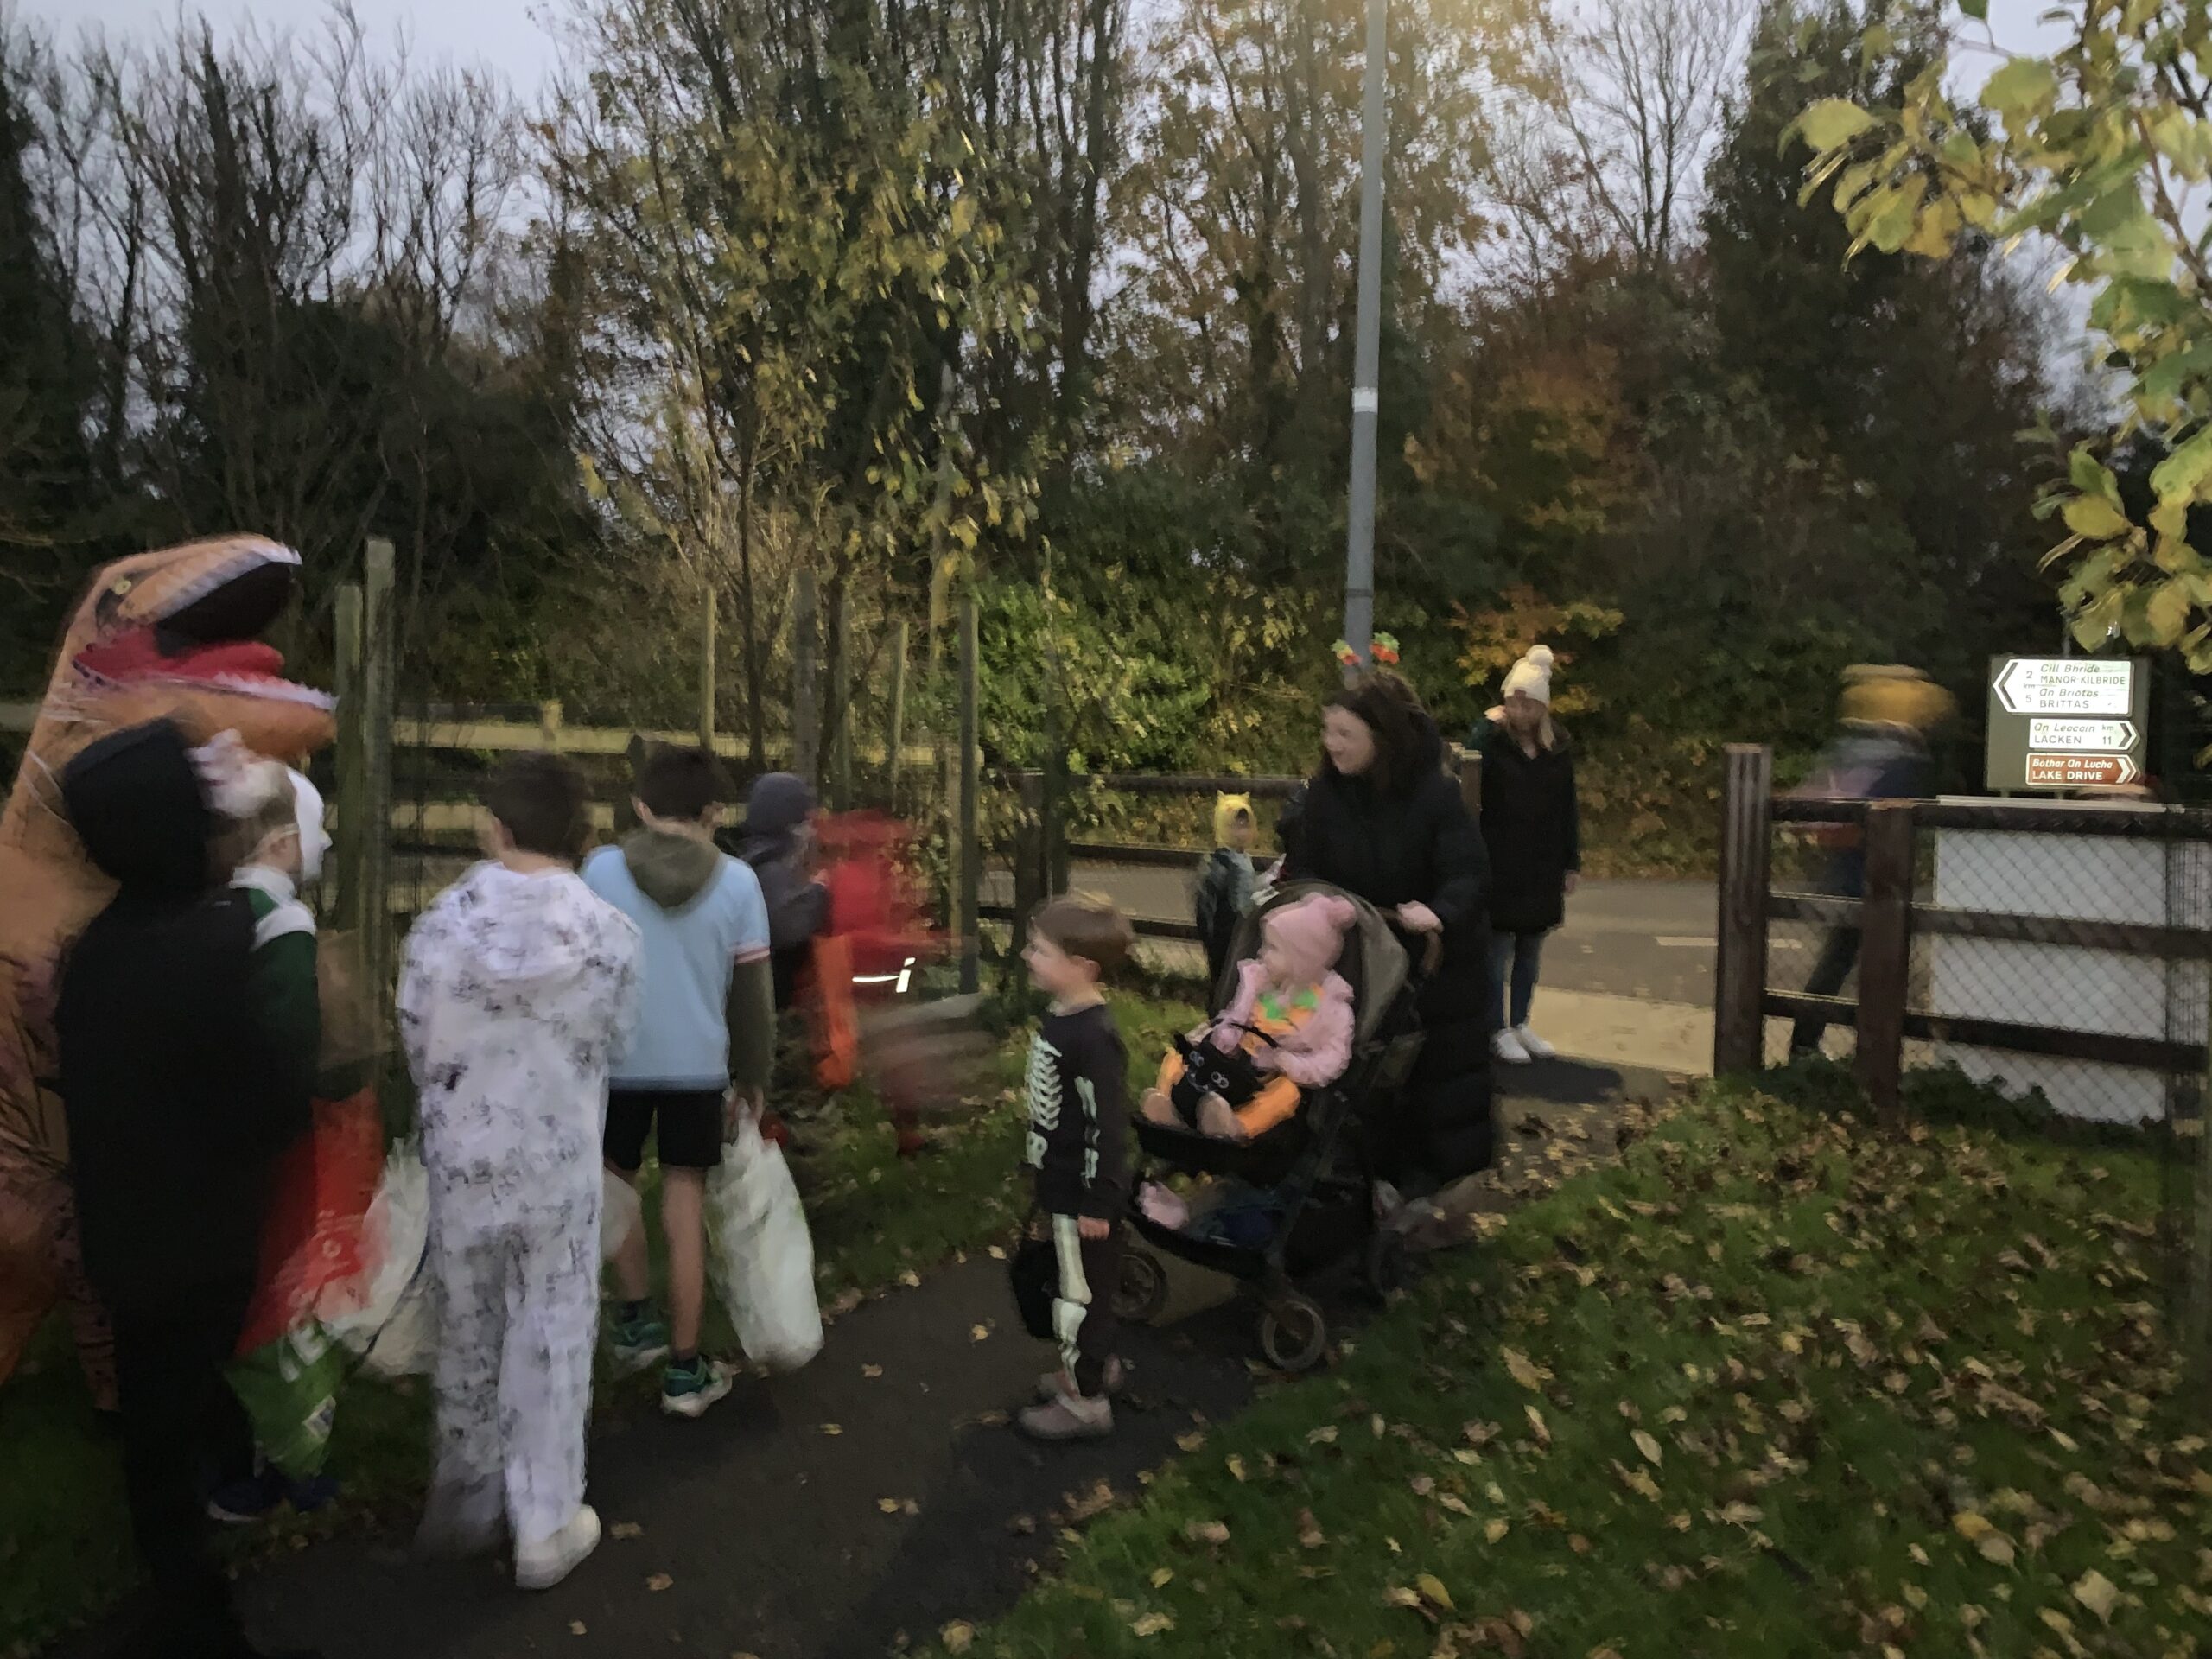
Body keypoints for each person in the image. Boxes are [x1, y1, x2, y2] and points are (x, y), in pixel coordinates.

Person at [55, 721, 320, 1659]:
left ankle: (178, 1573)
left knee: (153, 1420)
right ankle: (195, 1615)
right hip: (208, 1237)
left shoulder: (92, 954)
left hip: (122, 1233)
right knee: (204, 1389)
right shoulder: (215, 950)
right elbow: (267, 1105)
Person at [399, 753, 641, 1591]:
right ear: (582, 833)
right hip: (557, 1163)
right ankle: (544, 1521)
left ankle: (468, 1501)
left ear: (494, 827)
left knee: (468, 1325)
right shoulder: (610, 935)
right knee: (552, 1329)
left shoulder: (440, 925)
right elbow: (619, 1041)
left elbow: (415, 1034)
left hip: (464, 1158)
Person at [582, 744, 774, 1416]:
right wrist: (754, 1073)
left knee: (615, 1185)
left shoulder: (600, 870)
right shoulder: (739, 884)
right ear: (715, 812)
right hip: (698, 1067)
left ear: (640, 807)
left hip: (615, 1060)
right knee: (684, 1203)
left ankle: (636, 1321)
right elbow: (752, 998)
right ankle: (686, 1372)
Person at [1278, 669, 1491, 1189]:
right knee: (1361, 1072)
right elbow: (1304, 863)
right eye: (1327, 732)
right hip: (1357, 957)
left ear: (1381, 737)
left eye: (1344, 734)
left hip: (1432, 968)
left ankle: (1440, 1184)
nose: (1332, 744)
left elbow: (1468, 872)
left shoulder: (1435, 795)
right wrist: (1311, 901)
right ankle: (1357, 1175)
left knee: (1434, 1081)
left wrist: (1439, 913)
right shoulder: (1326, 796)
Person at [1016, 896, 1134, 1442]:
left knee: (1078, 1300)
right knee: (1077, 1286)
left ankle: (1086, 1402)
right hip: (1059, 1182)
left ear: (1082, 967)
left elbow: (1108, 1128)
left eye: (1040, 950)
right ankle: (1092, 1367)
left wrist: (1099, 1201)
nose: (1027, 956)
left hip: (1082, 1196)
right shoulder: (1062, 1018)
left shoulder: (1094, 1038)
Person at [1788, 666, 1951, 1058]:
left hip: (1846, 869)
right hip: (1882, 875)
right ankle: (1870, 1052)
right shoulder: (1904, 758)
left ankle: (1808, 1046)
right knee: (1881, 968)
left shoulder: (1849, 748)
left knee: (1840, 961)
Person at [1141, 891, 1357, 1142]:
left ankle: (1235, 1126)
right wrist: (1219, 1028)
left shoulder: (1331, 1009)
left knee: (1287, 1093)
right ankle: (1168, 1104)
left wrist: (1291, 1064)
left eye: (1273, 948)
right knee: (1180, 1055)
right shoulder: (1261, 987)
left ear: (1303, 959)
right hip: (1232, 1062)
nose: (1262, 954)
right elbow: (1233, 1018)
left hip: (1269, 1077)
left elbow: (1334, 1058)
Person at [1471, 645, 1580, 1066]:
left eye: (1526, 703)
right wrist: (1484, 726)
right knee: (1498, 949)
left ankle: (1520, 1022)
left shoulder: (1558, 749)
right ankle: (1496, 1027)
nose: (1517, 710)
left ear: (1541, 707)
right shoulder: (1493, 743)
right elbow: (1468, 767)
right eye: (1512, 701)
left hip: (1542, 861)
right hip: (1500, 858)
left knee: (1531, 948)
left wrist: (1571, 862)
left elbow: (1568, 807)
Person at [736, 772, 830, 1011]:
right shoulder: (769, 872)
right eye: (806, 823)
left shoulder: (751, 864)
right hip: (767, 1015)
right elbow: (786, 926)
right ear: (790, 827)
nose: (812, 832)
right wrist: (820, 892)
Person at [1193, 793, 1257, 993]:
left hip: (1244, 933)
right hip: (1225, 936)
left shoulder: (1245, 859)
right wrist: (1211, 941)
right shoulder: (1219, 864)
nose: (1242, 832)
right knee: (1223, 984)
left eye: (1245, 826)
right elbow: (1206, 907)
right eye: (1235, 826)